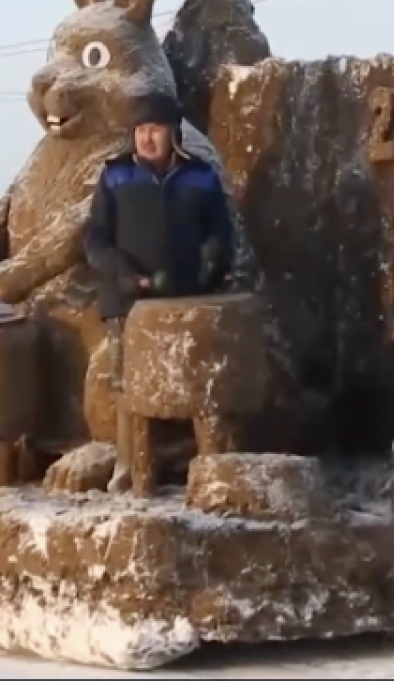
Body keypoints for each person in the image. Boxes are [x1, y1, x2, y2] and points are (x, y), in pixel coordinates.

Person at [83, 92, 235, 492]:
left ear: (174, 134)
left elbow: (221, 232)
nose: (147, 139)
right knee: (128, 383)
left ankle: (201, 465)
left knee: (191, 381)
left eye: (156, 130)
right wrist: (124, 273)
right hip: (126, 300)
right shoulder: (115, 175)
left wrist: (213, 263)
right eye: (141, 131)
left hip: (184, 298)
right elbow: (95, 239)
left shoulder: (200, 175)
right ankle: (128, 465)